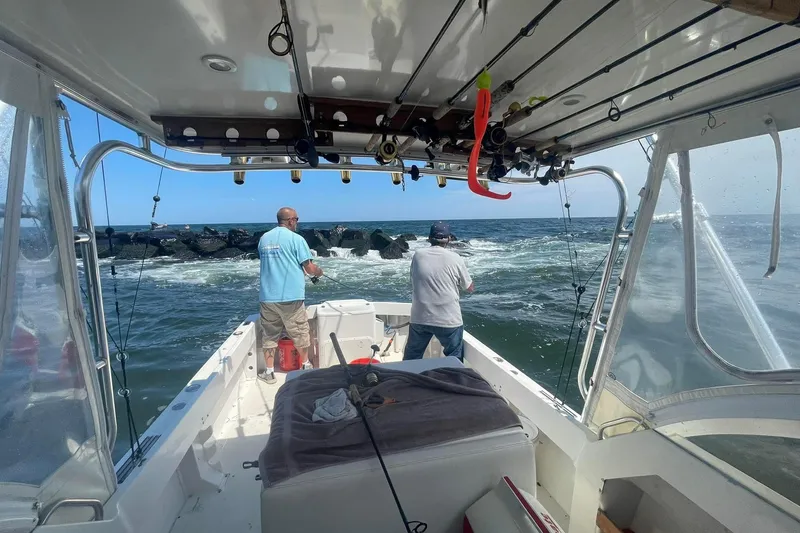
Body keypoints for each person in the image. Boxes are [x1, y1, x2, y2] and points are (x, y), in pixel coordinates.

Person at [258, 207, 323, 383]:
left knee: (269, 335)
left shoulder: (264, 239)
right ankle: (305, 366)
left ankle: (270, 372)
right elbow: (309, 268)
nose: (297, 222)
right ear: (291, 220)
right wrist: (319, 272)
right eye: (297, 219)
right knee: (300, 332)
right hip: (291, 297)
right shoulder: (296, 239)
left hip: (267, 297)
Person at [404, 222, 473, 361]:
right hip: (448, 319)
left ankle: (407, 380)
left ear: (429, 237)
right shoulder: (456, 258)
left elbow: (413, 278)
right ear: (448, 239)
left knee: (412, 357)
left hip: (420, 317)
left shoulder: (417, 255)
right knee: (454, 358)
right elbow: (469, 288)